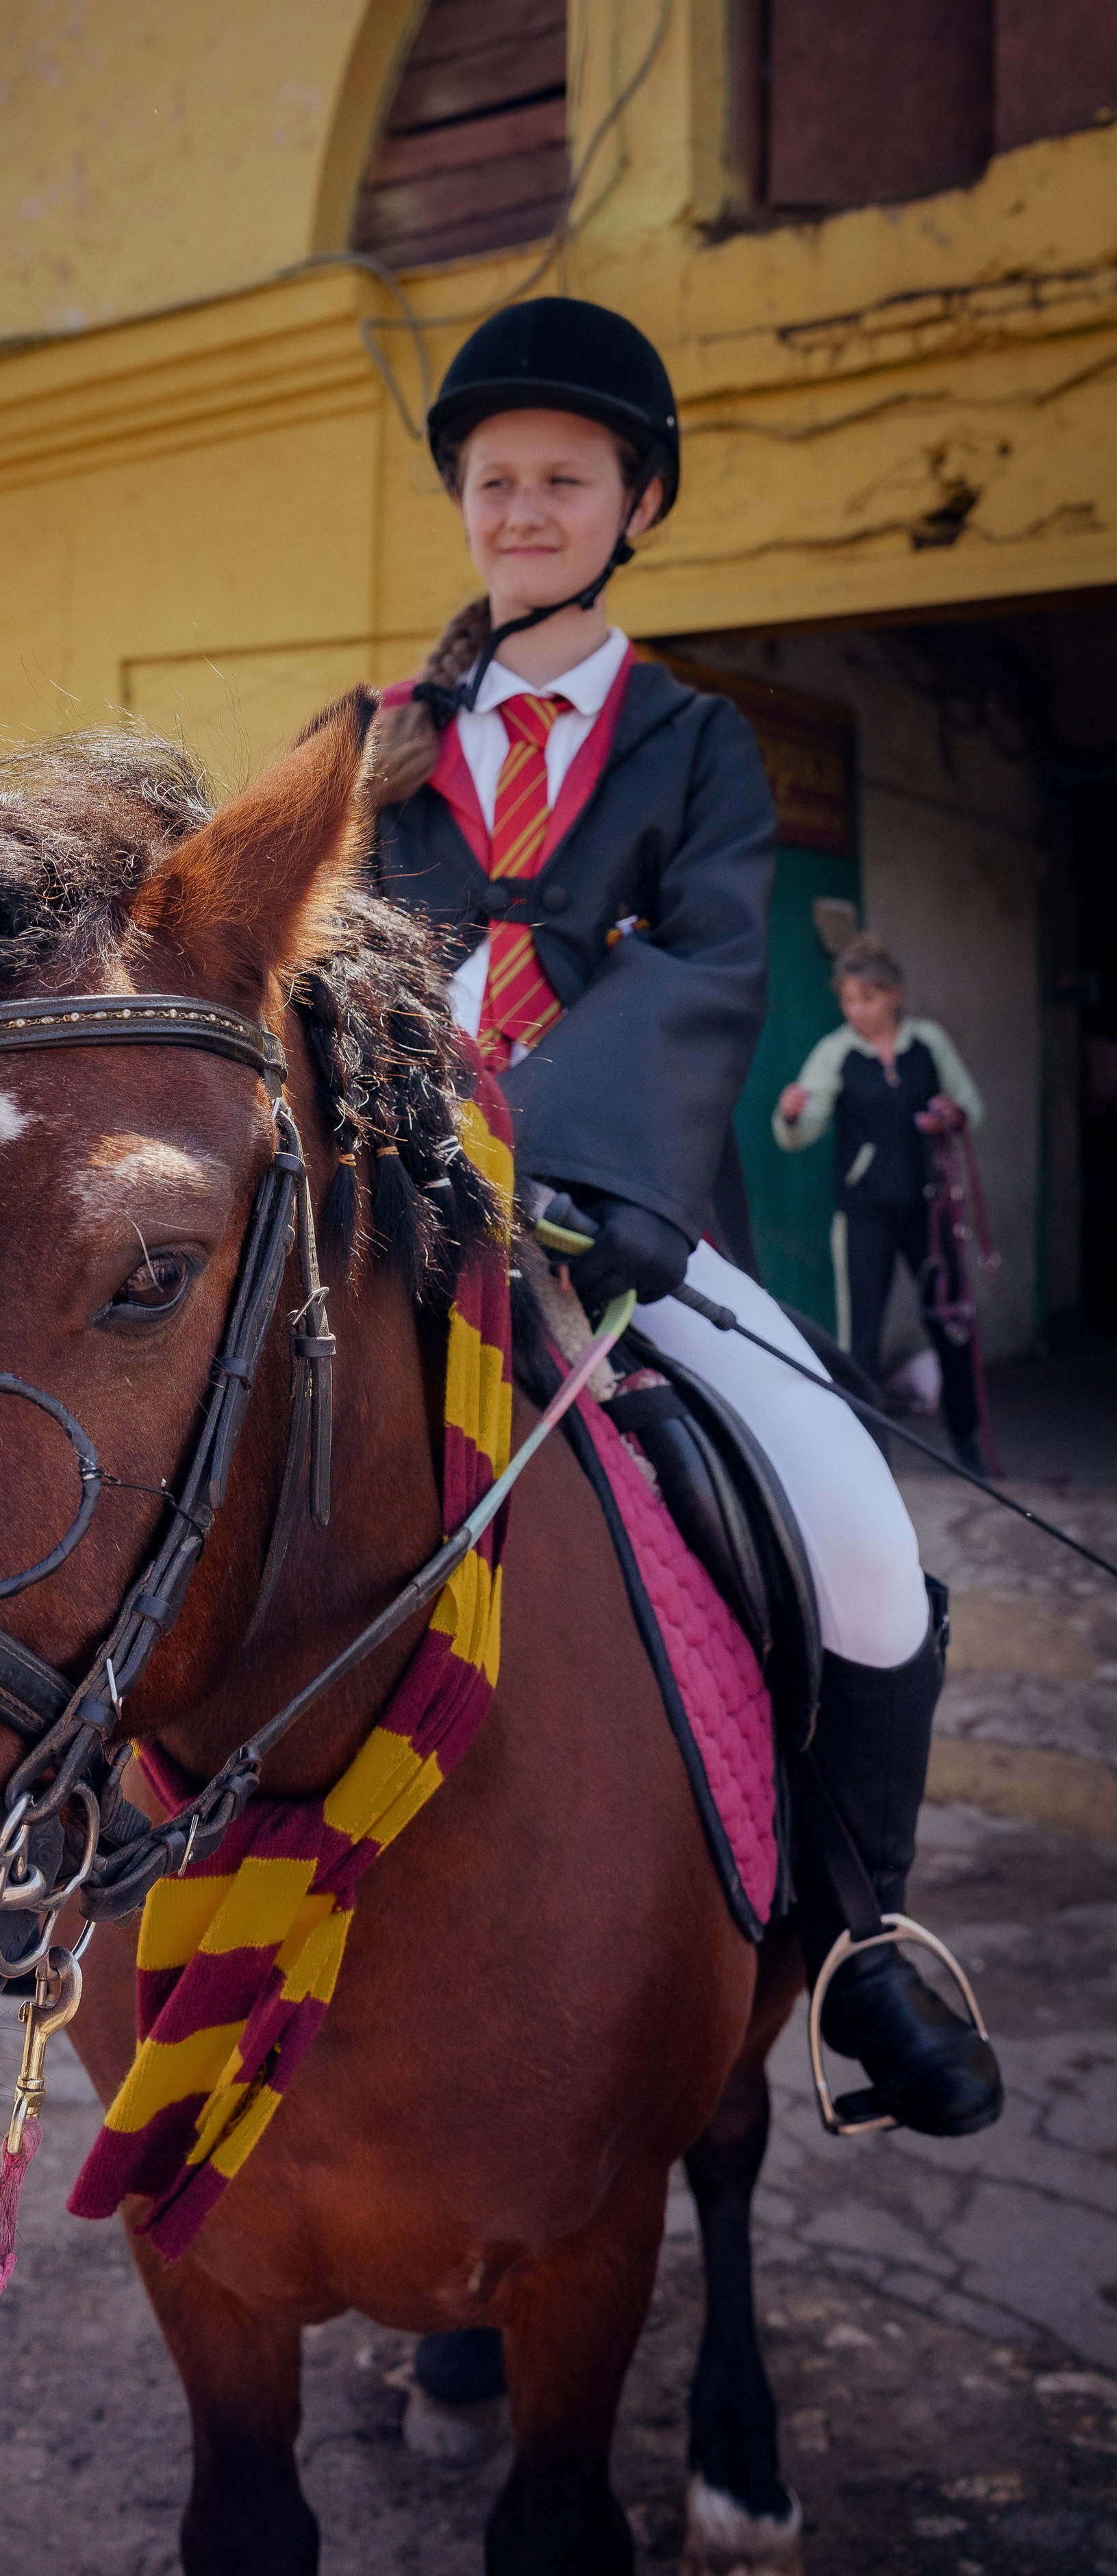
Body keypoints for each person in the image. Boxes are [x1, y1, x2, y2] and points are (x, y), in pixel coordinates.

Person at [369, 296, 1000, 2137]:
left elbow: (710, 963)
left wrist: (590, 1180)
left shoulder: (697, 741)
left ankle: (856, 1942)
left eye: (564, 478)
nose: (525, 508)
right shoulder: (379, 737)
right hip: (388, 1220)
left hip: (624, 1222)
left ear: (638, 502)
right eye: (496, 481)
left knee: (865, 1548)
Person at [776, 934, 989, 1472]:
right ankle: (867, 1453)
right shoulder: (836, 1051)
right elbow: (799, 1132)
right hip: (865, 1212)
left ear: (894, 994)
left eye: (866, 999)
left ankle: (967, 1444)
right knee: (861, 1338)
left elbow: (970, 1106)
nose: (856, 1011)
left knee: (950, 1324)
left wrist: (950, 1114)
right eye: (848, 1000)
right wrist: (793, 1113)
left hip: (929, 1211)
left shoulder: (928, 1043)